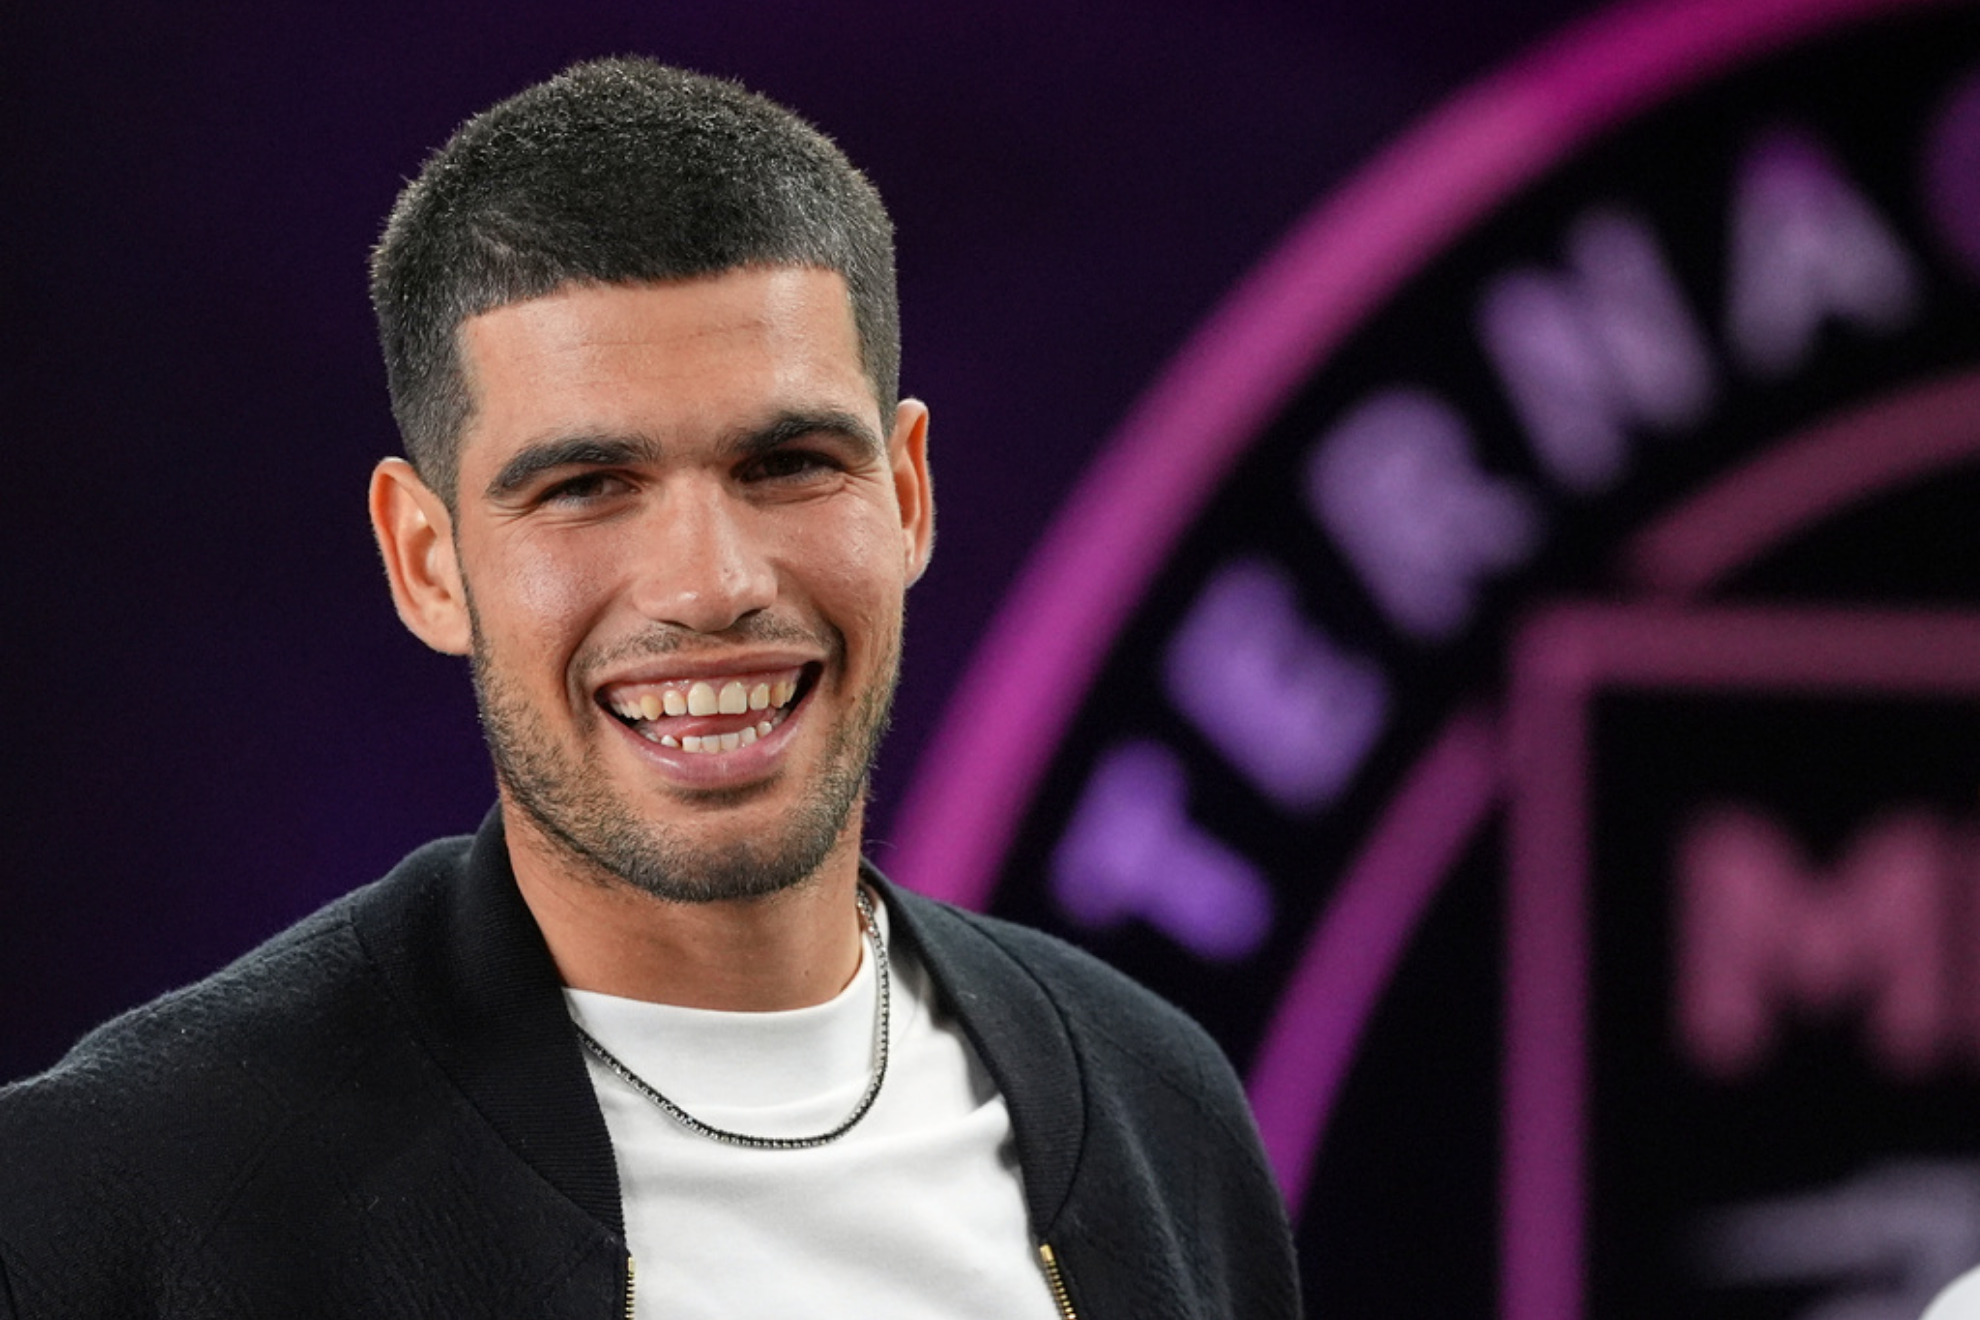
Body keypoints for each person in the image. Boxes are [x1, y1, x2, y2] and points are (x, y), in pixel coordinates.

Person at [0, 58, 1300, 1318]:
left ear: (907, 496)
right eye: (586, 488)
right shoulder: (117, 1210)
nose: (711, 583)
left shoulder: (1156, 1102)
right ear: (428, 561)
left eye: (790, 463)